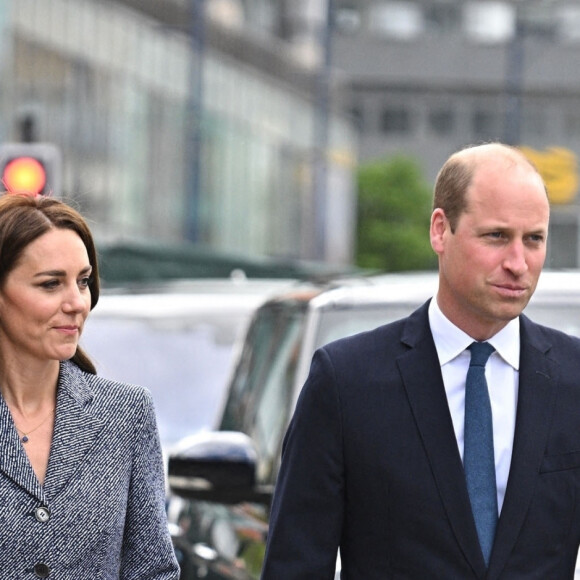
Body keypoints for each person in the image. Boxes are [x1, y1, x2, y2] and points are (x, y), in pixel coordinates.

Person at [261, 142, 580, 579]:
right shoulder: (346, 383)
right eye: (497, 236)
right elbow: (295, 567)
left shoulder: (574, 379)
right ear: (439, 230)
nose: (518, 263)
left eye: (534, 239)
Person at [0, 193, 179, 579]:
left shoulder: (126, 414)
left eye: (83, 282)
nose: (77, 303)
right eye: (50, 284)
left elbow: (153, 570)